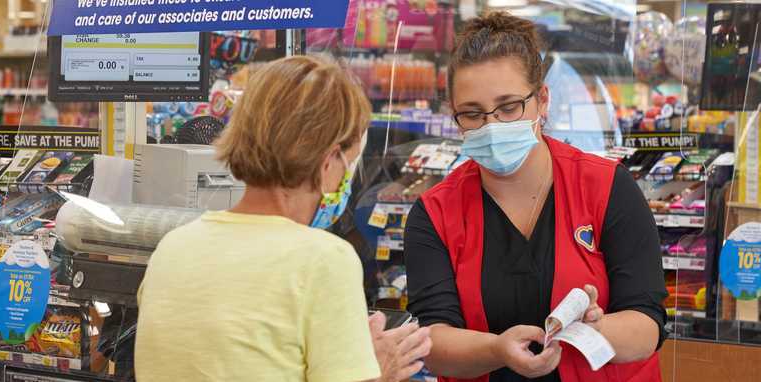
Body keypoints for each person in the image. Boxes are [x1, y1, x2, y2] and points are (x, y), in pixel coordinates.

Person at [404, 12, 667, 382]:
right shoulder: (434, 213)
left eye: (509, 107)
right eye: (473, 114)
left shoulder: (607, 187)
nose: (492, 126)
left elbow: (647, 323)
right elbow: (435, 341)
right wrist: (496, 351)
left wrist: (594, 328)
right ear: (455, 117)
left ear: (542, 100)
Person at [136, 55, 431, 381]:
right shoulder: (324, 260)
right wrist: (380, 370)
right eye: (350, 162)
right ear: (329, 160)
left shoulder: (172, 247)